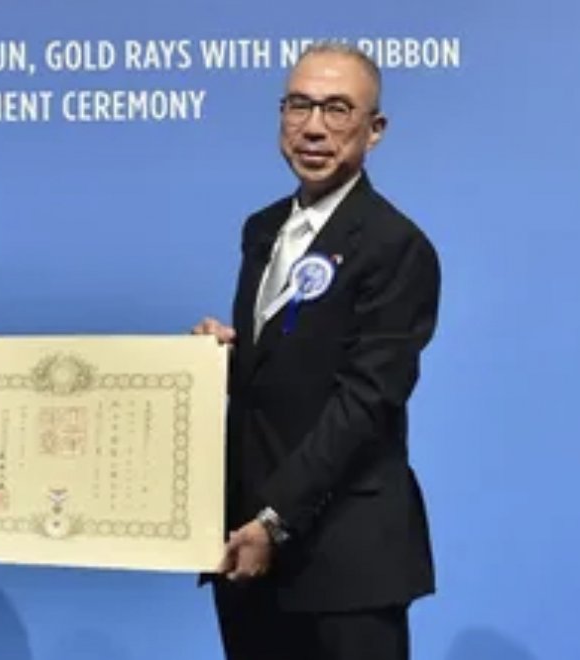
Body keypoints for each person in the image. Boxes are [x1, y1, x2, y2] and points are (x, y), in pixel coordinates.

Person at [193, 42, 441, 660]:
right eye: (299, 105)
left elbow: (365, 403)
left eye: (337, 109)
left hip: (344, 561)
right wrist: (219, 362)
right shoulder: (262, 229)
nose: (313, 127)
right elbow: (284, 374)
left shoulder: (395, 246)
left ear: (374, 129)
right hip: (248, 553)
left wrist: (274, 520)